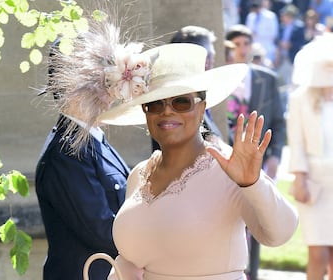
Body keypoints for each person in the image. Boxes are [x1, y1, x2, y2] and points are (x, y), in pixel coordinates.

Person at [95, 43, 298, 280]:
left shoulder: (228, 168)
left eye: (181, 102)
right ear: (146, 112)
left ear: (202, 109)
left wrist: (252, 183)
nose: (167, 112)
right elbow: (129, 264)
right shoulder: (139, 175)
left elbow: (280, 234)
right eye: (155, 104)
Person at [35, 17, 131, 280]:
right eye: (101, 74)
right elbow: (102, 230)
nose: (110, 84)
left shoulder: (94, 140)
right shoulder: (67, 151)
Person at [225, 24, 287, 280]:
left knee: (259, 216)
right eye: (237, 44)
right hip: (225, 160)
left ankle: (253, 272)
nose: (242, 49)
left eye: (246, 44)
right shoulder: (220, 79)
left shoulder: (267, 78)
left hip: (257, 159)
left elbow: (278, 122)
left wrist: (274, 157)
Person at [287, 33, 333, 280]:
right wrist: (299, 178)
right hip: (315, 183)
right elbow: (296, 142)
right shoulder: (300, 99)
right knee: (318, 254)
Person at [150, 25, 223, 153]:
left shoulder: (196, 97)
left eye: (211, 57)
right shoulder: (175, 104)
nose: (210, 63)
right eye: (208, 57)